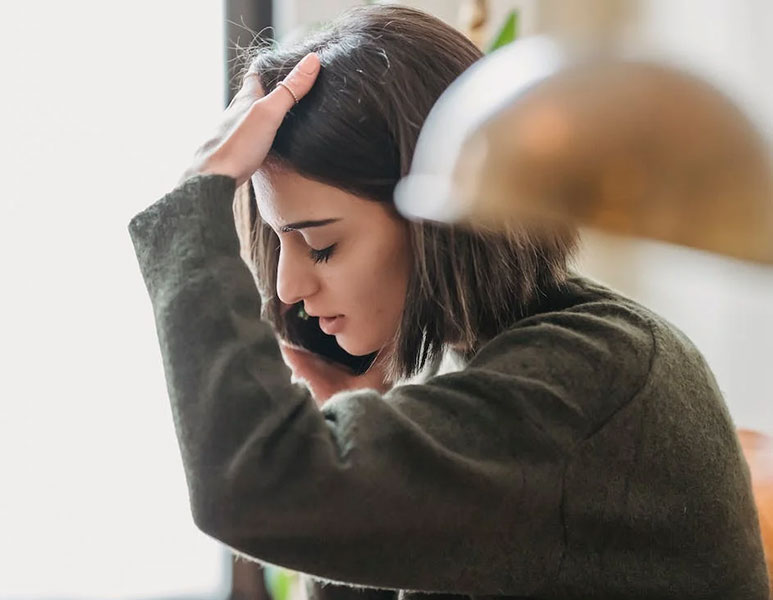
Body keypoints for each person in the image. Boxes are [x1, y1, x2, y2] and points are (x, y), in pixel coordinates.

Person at [127, 5, 768, 599]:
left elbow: (253, 486)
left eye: (320, 246)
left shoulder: (595, 376)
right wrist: (364, 421)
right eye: (280, 242)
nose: (289, 289)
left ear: (437, 226)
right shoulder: (484, 360)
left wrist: (196, 202)